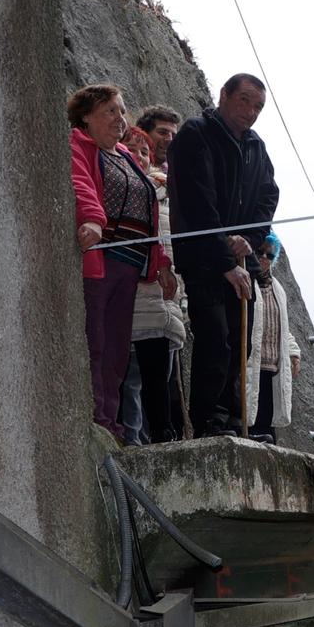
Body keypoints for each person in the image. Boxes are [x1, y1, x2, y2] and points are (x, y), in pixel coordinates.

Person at [168, 75, 279, 438]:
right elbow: (199, 203)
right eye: (244, 101)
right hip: (202, 258)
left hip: (239, 259)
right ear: (224, 95)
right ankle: (208, 423)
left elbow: (267, 198)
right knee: (214, 337)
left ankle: (234, 419)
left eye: (258, 106)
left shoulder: (256, 147)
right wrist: (225, 259)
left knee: (239, 341)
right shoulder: (196, 134)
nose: (250, 112)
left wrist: (248, 239)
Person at [67, 85, 172, 443]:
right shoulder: (79, 145)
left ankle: (110, 421)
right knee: (96, 340)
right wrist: (94, 219)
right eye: (110, 111)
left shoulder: (126, 156)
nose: (120, 119)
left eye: (121, 111)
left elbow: (149, 211)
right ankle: (98, 418)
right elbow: (81, 185)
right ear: (86, 116)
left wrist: (160, 263)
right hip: (103, 258)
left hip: (131, 264)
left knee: (117, 348)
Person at [125, 124, 187, 443]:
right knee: (135, 376)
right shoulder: (130, 189)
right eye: (132, 149)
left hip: (167, 299)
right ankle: (136, 437)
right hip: (138, 293)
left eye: (145, 152)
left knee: (159, 378)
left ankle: (151, 435)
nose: (140, 156)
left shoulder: (165, 196)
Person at [244, 234, 302, 444]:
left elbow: (283, 325)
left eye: (270, 254)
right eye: (260, 252)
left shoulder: (278, 288)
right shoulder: (246, 281)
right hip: (252, 359)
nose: (265, 258)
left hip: (272, 364)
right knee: (252, 408)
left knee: (267, 416)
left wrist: (293, 352)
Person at [135, 105, 182, 170]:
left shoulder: (177, 173)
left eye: (174, 136)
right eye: (162, 133)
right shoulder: (127, 162)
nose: (170, 139)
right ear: (143, 132)